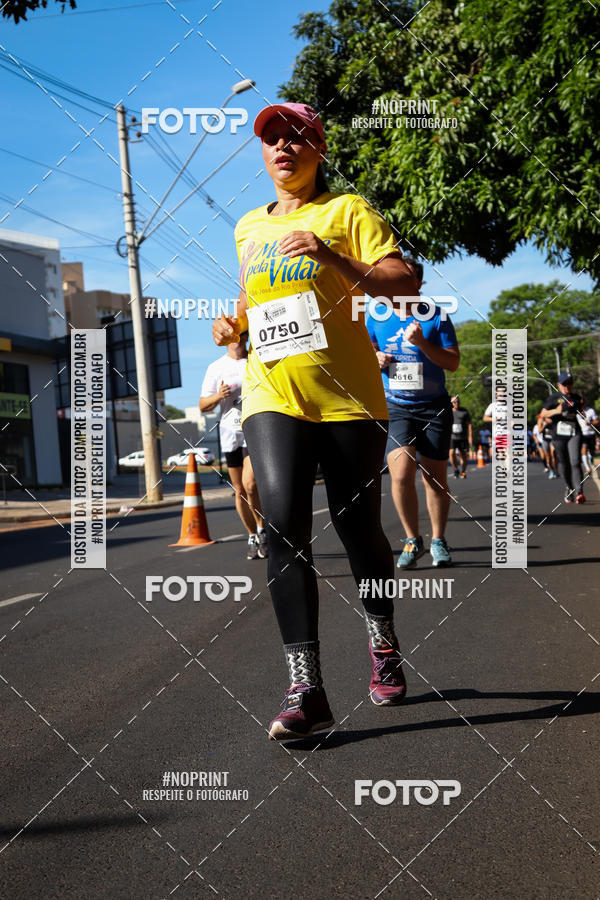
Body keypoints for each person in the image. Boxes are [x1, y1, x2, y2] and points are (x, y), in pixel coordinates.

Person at [213, 101, 420, 740]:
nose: (283, 147)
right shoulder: (249, 226)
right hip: (272, 394)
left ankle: (382, 640)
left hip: (347, 398)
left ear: (318, 150)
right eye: (272, 139)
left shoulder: (347, 211)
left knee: (359, 529)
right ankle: (307, 688)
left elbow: (403, 278)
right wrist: (233, 324)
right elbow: (251, 298)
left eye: (297, 137)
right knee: (282, 526)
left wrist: (331, 255)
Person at [367, 258, 460, 570]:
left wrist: (421, 342)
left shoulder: (437, 317)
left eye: (403, 280)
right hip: (395, 406)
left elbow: (452, 362)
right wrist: (375, 358)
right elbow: (364, 351)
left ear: (416, 284)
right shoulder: (376, 316)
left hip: (433, 406)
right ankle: (411, 538)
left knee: (434, 480)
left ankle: (438, 540)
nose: (394, 285)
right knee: (402, 473)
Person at [199, 332, 267, 559]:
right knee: (239, 490)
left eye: (243, 334)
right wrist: (219, 395)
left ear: (248, 336)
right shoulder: (216, 367)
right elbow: (202, 405)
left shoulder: (256, 360)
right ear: (227, 339)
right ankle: (252, 535)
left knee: (251, 484)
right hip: (230, 433)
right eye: (234, 335)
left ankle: (261, 528)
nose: (238, 339)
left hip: (253, 429)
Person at [540, 372, 586, 503]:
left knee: (575, 461)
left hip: (574, 432)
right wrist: (556, 411)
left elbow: (583, 411)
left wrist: (582, 412)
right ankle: (569, 488)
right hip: (559, 435)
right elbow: (543, 413)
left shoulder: (577, 398)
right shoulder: (553, 398)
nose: (567, 386)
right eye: (564, 384)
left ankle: (579, 492)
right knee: (565, 464)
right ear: (559, 385)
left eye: (569, 383)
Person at [449, 395, 473, 478]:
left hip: (462, 437)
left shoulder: (464, 411)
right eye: (454, 402)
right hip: (452, 437)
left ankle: (463, 471)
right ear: (451, 403)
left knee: (463, 455)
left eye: (457, 401)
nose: (456, 403)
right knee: (451, 453)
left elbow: (469, 424)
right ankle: (456, 470)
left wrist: (470, 436)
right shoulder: (448, 411)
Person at [578, 397, 598, 475]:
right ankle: (587, 468)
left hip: (591, 434)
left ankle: (591, 458)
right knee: (584, 449)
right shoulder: (576, 412)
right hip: (582, 435)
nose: (582, 405)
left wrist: (590, 423)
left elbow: (597, 421)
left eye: (583, 403)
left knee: (592, 451)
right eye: (580, 403)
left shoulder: (591, 411)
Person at [536, 412, 559, 478]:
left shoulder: (554, 418)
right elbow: (539, 431)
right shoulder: (541, 420)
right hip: (545, 440)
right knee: (548, 457)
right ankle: (551, 471)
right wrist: (544, 425)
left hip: (553, 439)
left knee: (553, 455)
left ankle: (556, 470)